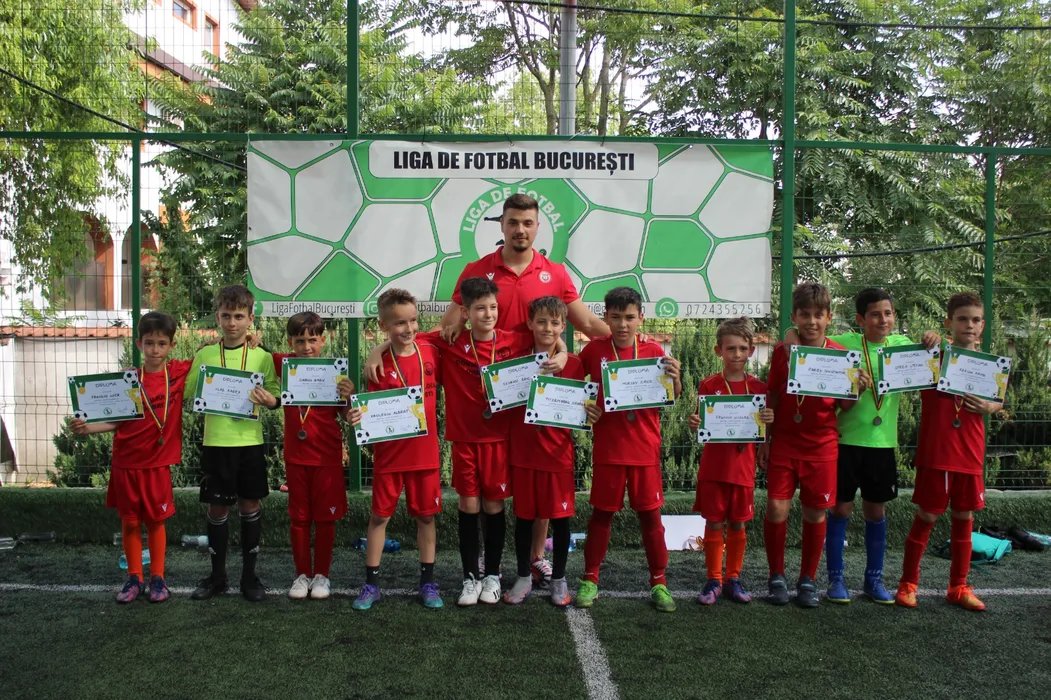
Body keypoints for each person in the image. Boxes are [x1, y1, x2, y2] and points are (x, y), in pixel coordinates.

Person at [368, 193, 610, 588]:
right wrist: (381, 346)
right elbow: (445, 329)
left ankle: (534, 559)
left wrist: (617, 344)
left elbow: (585, 322)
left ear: (537, 227)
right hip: (485, 402)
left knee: (536, 481)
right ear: (501, 225)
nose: (520, 230)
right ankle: (482, 563)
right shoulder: (477, 270)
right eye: (513, 222)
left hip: (532, 396)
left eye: (527, 223)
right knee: (483, 494)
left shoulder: (555, 273)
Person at [367, 277, 567, 606]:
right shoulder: (448, 341)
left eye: (493, 308)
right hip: (464, 441)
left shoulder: (514, 339)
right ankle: (470, 578)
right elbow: (404, 338)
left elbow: (547, 334)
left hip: (499, 440)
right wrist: (377, 350)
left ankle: (492, 576)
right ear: (466, 313)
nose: (488, 314)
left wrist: (564, 352)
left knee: (494, 506)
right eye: (480, 308)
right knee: (469, 506)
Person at [782, 287, 939, 603]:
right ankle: (836, 580)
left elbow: (942, 351)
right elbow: (802, 333)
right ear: (860, 319)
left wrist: (935, 338)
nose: (883, 320)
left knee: (875, 510)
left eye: (888, 313)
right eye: (875, 314)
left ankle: (873, 580)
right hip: (845, 440)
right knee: (840, 508)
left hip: (882, 443)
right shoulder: (847, 344)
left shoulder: (903, 346)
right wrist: (790, 338)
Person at [574, 287, 682, 613]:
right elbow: (575, 389)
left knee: (651, 517)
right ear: (606, 317)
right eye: (616, 317)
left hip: (645, 450)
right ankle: (590, 578)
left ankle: (659, 581)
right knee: (601, 515)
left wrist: (676, 379)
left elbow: (673, 395)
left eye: (630, 317)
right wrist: (586, 407)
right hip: (609, 449)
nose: (623, 324)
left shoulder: (654, 351)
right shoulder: (594, 350)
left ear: (641, 318)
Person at [71, 312, 191, 604]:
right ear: (139, 344)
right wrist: (87, 428)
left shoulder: (178, 373)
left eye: (161, 344)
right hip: (126, 463)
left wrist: (250, 341)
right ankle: (134, 577)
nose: (155, 350)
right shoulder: (127, 380)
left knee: (156, 522)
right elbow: (115, 421)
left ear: (172, 346)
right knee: (130, 522)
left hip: (156, 465)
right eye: (149, 343)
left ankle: (158, 578)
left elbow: (209, 355)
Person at [896, 292, 1002, 611]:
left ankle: (958, 586)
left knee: (964, 518)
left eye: (975, 320)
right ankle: (908, 584)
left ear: (982, 326)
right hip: (938, 453)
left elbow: (998, 401)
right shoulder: (935, 356)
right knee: (927, 516)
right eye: (962, 319)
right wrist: (927, 338)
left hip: (970, 454)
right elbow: (903, 364)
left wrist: (990, 406)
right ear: (949, 323)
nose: (969, 325)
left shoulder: (989, 365)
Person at [760, 282, 863, 608]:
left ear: (829, 317)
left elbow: (845, 406)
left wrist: (858, 389)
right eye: (804, 315)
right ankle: (776, 575)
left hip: (821, 446)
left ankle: (807, 578)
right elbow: (773, 395)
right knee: (776, 508)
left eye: (818, 315)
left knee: (815, 512)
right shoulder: (783, 351)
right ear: (794, 317)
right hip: (785, 442)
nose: (812, 322)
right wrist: (765, 439)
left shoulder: (840, 356)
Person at [349, 290, 444, 610]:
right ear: (383, 325)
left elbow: (455, 323)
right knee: (379, 517)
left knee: (426, 518)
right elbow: (370, 413)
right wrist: (357, 417)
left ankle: (428, 582)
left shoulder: (431, 349)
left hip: (424, 454)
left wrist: (377, 347)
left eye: (413, 320)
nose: (409, 328)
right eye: (400, 323)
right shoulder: (377, 366)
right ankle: (371, 584)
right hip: (389, 456)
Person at [186, 285, 281, 602]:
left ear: (251, 319)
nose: (232, 323)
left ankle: (249, 577)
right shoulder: (205, 354)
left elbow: (275, 393)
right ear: (217, 317)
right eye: (226, 316)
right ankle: (217, 577)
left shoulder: (261, 356)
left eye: (239, 316)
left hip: (249, 443)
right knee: (217, 507)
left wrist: (270, 400)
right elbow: (187, 391)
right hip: (216, 443)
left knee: (250, 505)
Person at [504, 296, 599, 607]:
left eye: (555, 322)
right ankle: (523, 576)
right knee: (523, 518)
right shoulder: (517, 362)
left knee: (561, 519)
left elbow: (583, 405)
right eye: (541, 321)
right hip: (523, 452)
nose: (548, 328)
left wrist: (591, 412)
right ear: (530, 323)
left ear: (563, 326)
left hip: (558, 455)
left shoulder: (575, 364)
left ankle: (559, 579)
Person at [260, 312, 354, 601]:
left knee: (325, 519)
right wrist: (253, 340)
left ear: (323, 340)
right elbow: (260, 353)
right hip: (297, 456)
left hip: (327, 457)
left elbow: (346, 412)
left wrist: (350, 396)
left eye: (312, 340)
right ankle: (301, 575)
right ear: (290, 342)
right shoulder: (285, 365)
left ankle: (322, 575)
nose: (307, 347)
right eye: (299, 341)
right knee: (299, 518)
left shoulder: (336, 374)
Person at [687, 317, 773, 605]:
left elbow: (763, 429)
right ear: (718, 351)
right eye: (730, 348)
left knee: (737, 524)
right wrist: (695, 421)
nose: (737, 354)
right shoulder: (709, 385)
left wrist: (768, 423)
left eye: (742, 349)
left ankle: (733, 578)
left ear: (751, 351)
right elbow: (701, 422)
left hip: (743, 468)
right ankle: (713, 579)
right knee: (714, 522)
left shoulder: (759, 388)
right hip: (714, 468)